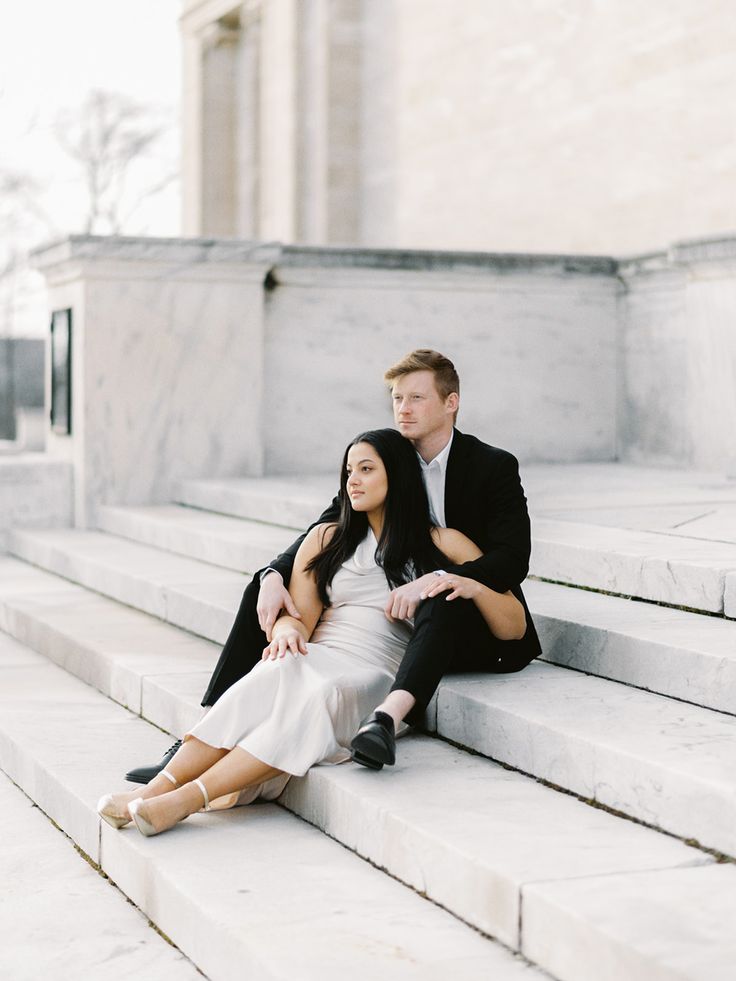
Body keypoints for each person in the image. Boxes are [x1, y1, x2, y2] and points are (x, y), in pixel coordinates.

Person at [125, 348, 541, 782]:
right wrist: (272, 573)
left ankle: (387, 720)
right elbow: (330, 524)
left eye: (416, 398)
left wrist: (438, 577)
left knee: (440, 595)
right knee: (263, 589)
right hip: (397, 614)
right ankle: (206, 728)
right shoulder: (387, 458)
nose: (403, 408)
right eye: (397, 398)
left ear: (450, 403)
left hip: (471, 622)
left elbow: (512, 561)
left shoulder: (491, 466)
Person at [98, 428, 526, 836]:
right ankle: (153, 791)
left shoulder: (445, 543)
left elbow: (514, 623)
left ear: (396, 475)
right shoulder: (327, 538)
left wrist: (463, 582)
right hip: (321, 651)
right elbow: (300, 617)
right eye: (348, 471)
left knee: (319, 696)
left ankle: (185, 801)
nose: (352, 481)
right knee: (270, 674)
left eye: (366, 469)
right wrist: (285, 626)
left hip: (375, 670)